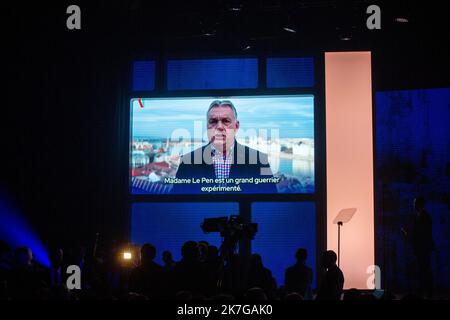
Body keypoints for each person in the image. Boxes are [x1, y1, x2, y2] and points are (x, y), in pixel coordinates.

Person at [172, 100, 278, 194]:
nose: (219, 127)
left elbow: (271, 201)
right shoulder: (187, 162)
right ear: (207, 126)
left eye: (226, 121)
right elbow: (176, 205)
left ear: (236, 126)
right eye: (213, 121)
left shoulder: (259, 160)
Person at [411, 197, 434, 297]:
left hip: (423, 248)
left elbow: (423, 234)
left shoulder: (424, 217)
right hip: (422, 248)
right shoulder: (421, 216)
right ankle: (425, 292)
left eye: (415, 203)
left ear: (419, 204)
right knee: (423, 270)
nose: (413, 205)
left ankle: (426, 292)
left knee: (424, 270)